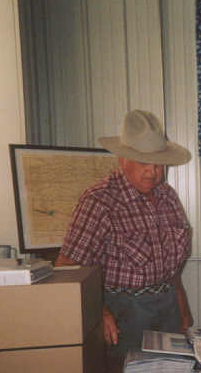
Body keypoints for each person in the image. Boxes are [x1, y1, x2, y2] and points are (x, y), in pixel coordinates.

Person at [56, 109, 193, 357]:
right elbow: (68, 268)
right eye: (143, 163)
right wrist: (99, 312)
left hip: (167, 305)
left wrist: (181, 304)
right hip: (122, 312)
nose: (153, 172)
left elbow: (172, 266)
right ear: (122, 160)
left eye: (158, 164)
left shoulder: (168, 197)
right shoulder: (100, 200)